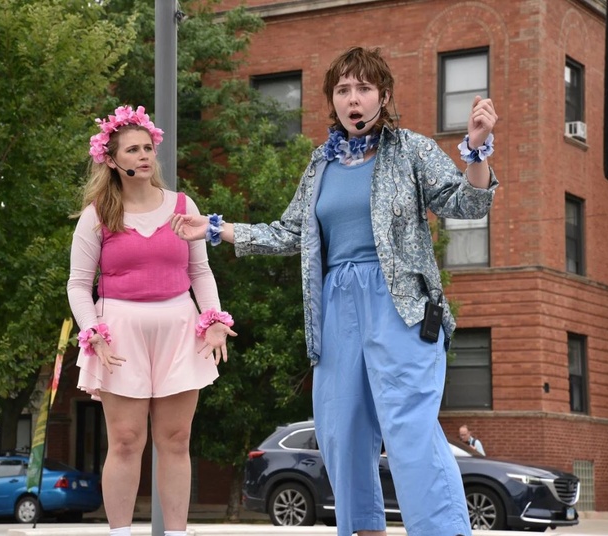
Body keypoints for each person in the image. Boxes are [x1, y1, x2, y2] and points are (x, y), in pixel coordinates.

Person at [171, 46, 499, 536]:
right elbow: (290, 232)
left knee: (409, 432)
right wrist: (216, 229)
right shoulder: (319, 164)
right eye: (343, 89)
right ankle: (363, 528)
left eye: (364, 88)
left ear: (383, 96)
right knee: (340, 434)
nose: (354, 99)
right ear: (333, 100)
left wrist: (476, 149)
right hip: (335, 306)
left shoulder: (409, 149)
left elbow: (469, 204)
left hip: (401, 306)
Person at [66, 105, 236, 536]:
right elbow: (78, 285)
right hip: (120, 331)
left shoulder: (182, 206)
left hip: (178, 324)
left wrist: (213, 319)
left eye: (148, 148)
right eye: (133, 150)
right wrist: (93, 334)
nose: (144, 156)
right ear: (111, 159)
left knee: (176, 440)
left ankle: (176, 533)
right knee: (125, 442)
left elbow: (200, 272)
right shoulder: (97, 215)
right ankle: (121, 532)